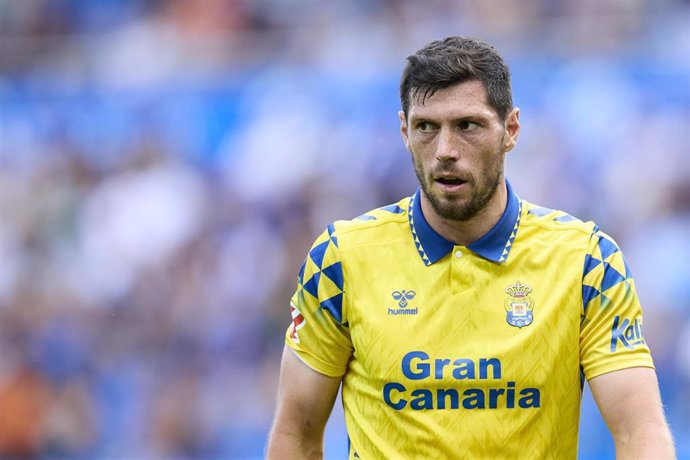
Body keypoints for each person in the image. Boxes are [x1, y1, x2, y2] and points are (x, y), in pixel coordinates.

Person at [266, 36, 676, 459]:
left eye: (467, 126)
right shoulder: (341, 260)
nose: (445, 151)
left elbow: (639, 432)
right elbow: (296, 434)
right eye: (427, 127)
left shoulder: (587, 261)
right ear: (404, 131)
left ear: (510, 130)